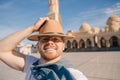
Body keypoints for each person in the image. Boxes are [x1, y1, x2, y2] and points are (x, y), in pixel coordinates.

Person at [0, 17, 88, 80]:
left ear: (63, 46)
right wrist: (32, 28)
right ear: (38, 45)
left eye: (55, 39)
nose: (50, 42)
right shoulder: (32, 65)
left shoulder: (72, 74)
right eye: (45, 39)